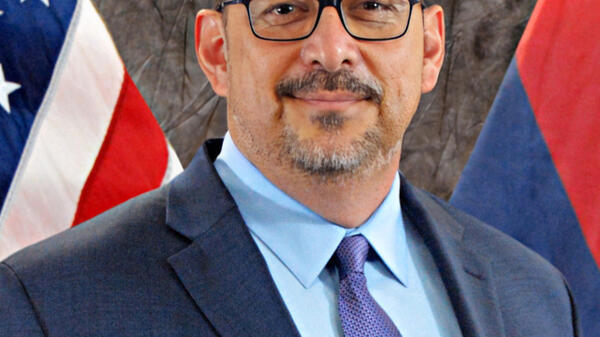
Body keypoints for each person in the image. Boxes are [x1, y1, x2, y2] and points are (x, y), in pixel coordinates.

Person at [0, 0, 579, 336]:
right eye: (284, 9)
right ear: (217, 53)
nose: (331, 49)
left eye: (372, 7)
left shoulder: (537, 297)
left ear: (429, 50)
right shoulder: (50, 306)